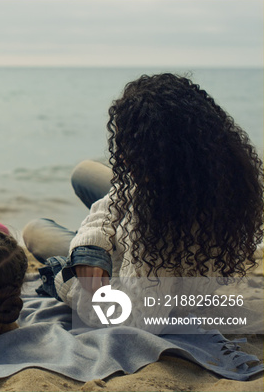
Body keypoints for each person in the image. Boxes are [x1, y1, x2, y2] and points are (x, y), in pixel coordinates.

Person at [23, 73, 263, 330]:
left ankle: (81, 258)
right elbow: (117, 197)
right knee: (85, 173)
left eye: (133, 148)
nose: (124, 158)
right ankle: (91, 249)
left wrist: (63, 281)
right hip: (173, 246)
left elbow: (135, 319)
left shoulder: (154, 220)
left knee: (35, 230)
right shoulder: (222, 174)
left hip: (148, 261)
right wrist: (90, 245)